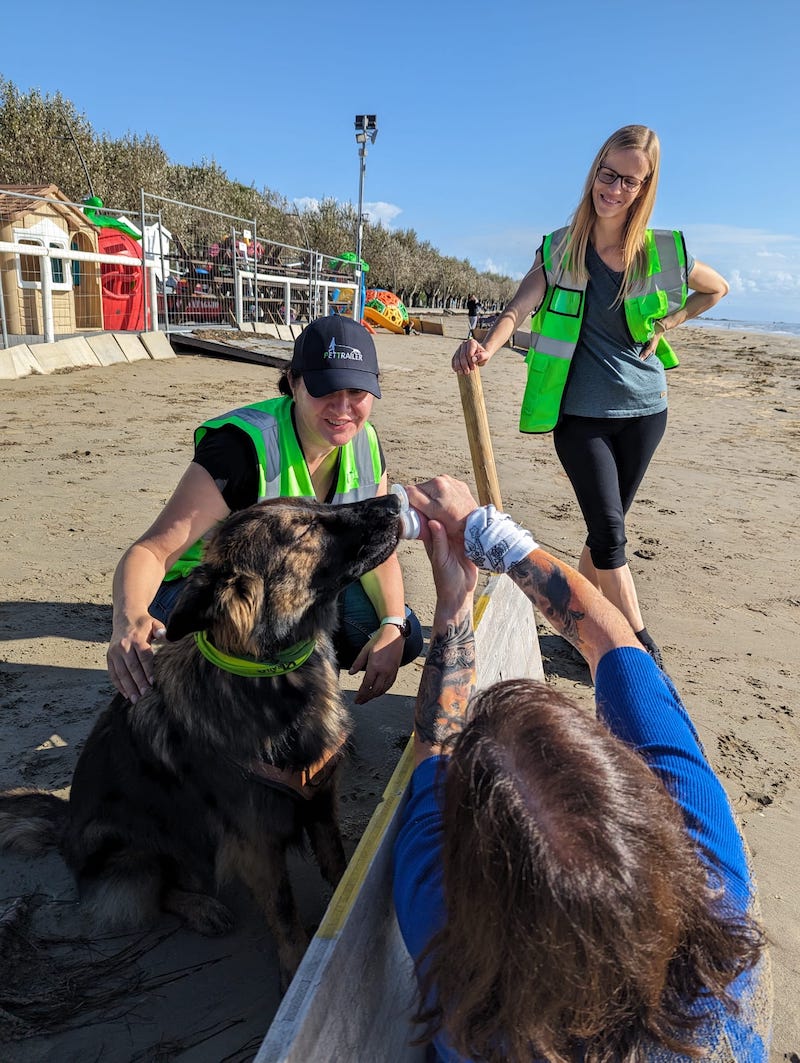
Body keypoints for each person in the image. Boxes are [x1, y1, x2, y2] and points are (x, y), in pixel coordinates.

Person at [393, 475, 771, 1063]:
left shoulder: (443, 933)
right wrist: (492, 536)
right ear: (635, 797)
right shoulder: (715, 884)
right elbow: (614, 642)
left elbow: (437, 743)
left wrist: (454, 603)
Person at [451, 126, 730, 668]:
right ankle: (639, 652)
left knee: (606, 532)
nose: (615, 188)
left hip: (646, 410)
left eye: (630, 181)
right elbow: (520, 307)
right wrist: (487, 346)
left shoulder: (661, 249)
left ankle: (583, 632)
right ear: (595, 169)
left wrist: (667, 324)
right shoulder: (560, 248)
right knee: (608, 536)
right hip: (579, 417)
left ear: (645, 187)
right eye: (608, 174)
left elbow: (716, 289)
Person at [107, 316, 423, 705]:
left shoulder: (365, 441)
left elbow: (373, 551)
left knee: (406, 634)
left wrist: (393, 624)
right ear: (293, 381)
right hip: (207, 591)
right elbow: (153, 552)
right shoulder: (240, 448)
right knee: (261, 635)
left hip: (292, 586)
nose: (342, 408)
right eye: (325, 389)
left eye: (357, 391)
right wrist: (129, 618)